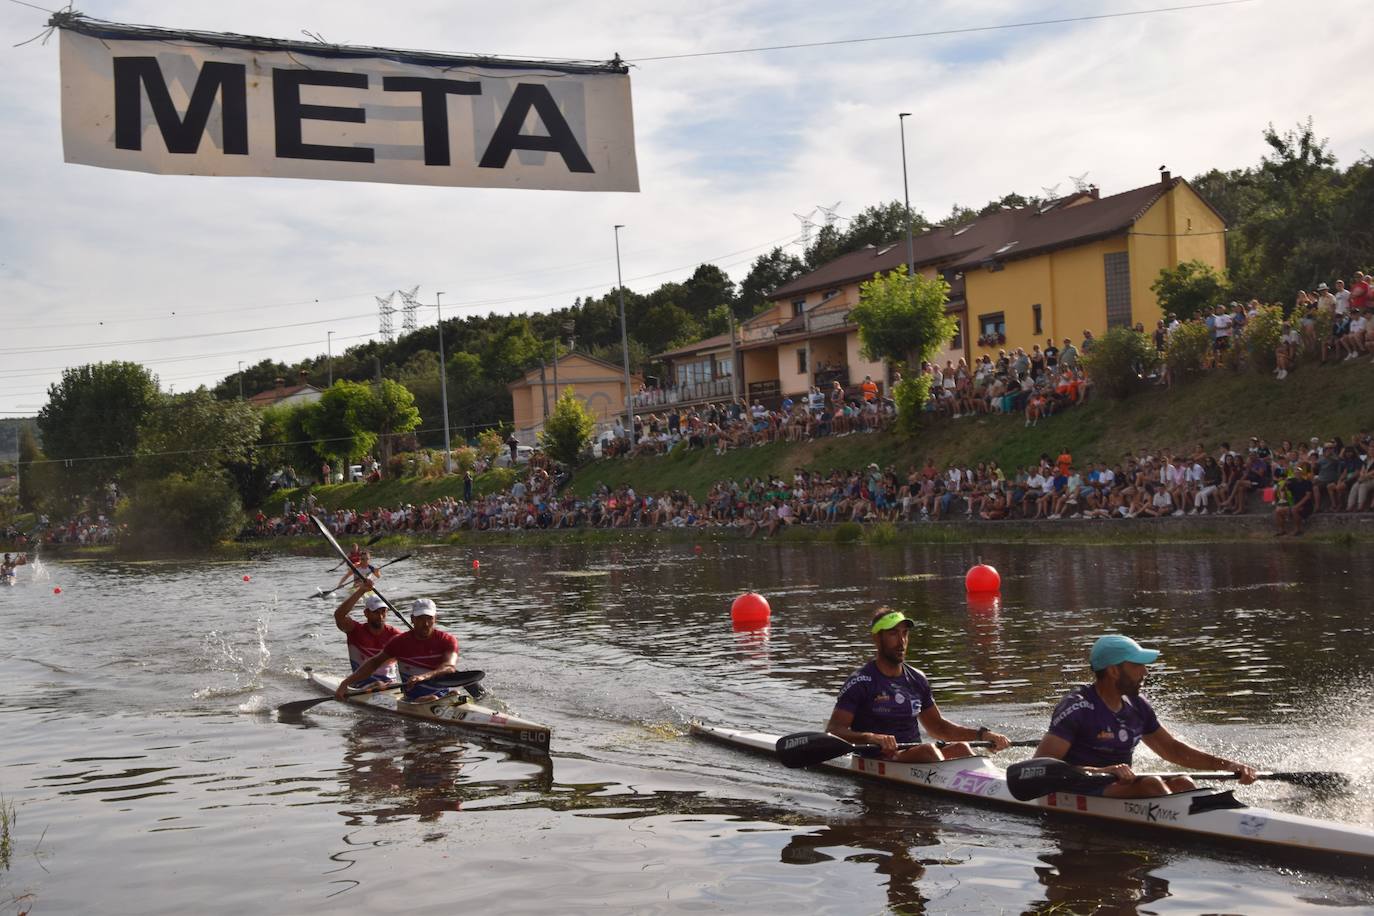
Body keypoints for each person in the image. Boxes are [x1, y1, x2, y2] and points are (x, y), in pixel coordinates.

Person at [1033, 635, 1256, 797]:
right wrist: (1101, 771)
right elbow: (1040, 768)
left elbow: (1173, 750)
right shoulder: (1078, 707)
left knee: (1184, 783)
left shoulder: (1137, 706)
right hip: (1078, 787)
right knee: (1152, 785)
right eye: (1138, 665)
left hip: (1119, 785)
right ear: (1113, 671)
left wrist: (1227, 766)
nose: (1145, 672)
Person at [824, 608, 1012, 762]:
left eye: (905, 633)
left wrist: (982, 735)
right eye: (893, 634)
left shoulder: (916, 678)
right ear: (877, 638)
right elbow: (833, 731)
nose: (902, 641)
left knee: (962, 747)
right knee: (929, 751)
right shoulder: (860, 682)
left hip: (914, 755)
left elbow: (939, 728)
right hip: (879, 757)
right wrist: (870, 737)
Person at [335, 598, 459, 702]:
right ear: (412, 619)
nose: (426, 623)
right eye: (421, 618)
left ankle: (444, 698)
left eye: (429, 618)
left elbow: (449, 667)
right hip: (414, 701)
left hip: (441, 697)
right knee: (431, 698)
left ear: (435, 618)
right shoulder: (399, 642)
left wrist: (423, 677)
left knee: (455, 692)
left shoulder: (447, 640)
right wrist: (345, 683)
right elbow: (373, 663)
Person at [333, 581, 402, 686]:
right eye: (376, 612)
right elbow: (339, 615)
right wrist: (361, 591)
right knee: (378, 684)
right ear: (366, 613)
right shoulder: (355, 630)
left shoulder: (395, 635)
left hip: (390, 686)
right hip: (360, 685)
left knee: (380, 684)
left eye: (383, 611)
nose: (380, 616)